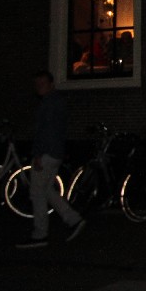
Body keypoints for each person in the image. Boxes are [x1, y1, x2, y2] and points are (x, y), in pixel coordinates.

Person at [17, 70, 86, 248]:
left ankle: (40, 234)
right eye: (37, 84)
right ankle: (73, 219)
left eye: (43, 84)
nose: (39, 87)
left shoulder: (49, 104)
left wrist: (39, 154)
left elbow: (46, 131)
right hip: (55, 153)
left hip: (47, 154)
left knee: (37, 193)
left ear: (51, 84)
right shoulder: (56, 102)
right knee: (47, 190)